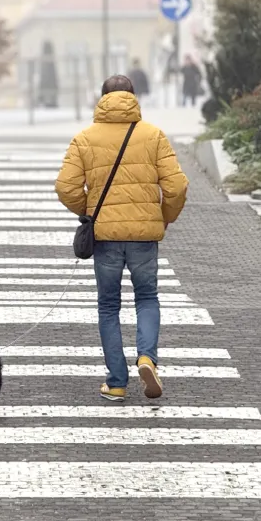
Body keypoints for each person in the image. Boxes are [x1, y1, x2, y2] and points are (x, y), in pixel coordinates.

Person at [54, 75, 189, 402]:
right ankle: (147, 358)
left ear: (102, 98)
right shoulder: (153, 135)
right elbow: (177, 186)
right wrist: (165, 216)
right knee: (147, 298)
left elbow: (65, 187)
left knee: (108, 305)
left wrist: (90, 212)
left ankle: (116, 382)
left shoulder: (84, 138)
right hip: (143, 237)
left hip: (106, 238)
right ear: (133, 96)